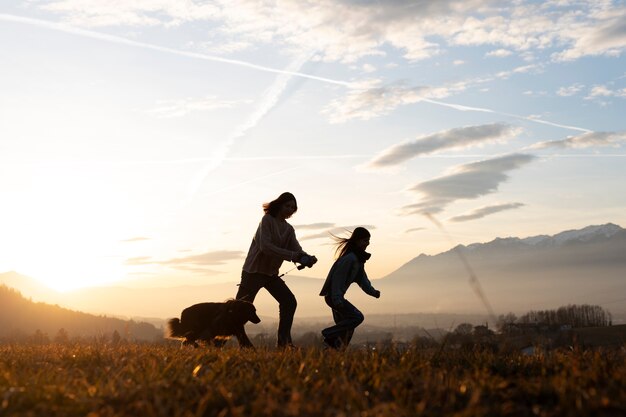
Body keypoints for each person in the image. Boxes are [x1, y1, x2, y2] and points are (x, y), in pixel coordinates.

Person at [236, 192, 317, 348]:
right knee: (239, 311)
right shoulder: (267, 220)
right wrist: (295, 256)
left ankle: (284, 342)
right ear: (279, 205)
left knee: (289, 302)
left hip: (271, 274)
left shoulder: (289, 229)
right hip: (253, 272)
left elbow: (296, 249)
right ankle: (222, 341)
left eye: (293, 208)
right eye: (287, 206)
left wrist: (306, 257)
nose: (290, 209)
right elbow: (266, 247)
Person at [319, 227, 380, 349]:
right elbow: (337, 279)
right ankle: (328, 333)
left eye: (368, 240)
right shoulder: (349, 259)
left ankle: (336, 350)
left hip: (336, 297)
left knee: (347, 327)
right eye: (364, 240)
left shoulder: (358, 260)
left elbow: (363, 280)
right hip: (334, 297)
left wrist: (373, 292)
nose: (367, 244)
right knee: (357, 317)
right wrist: (337, 299)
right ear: (357, 241)